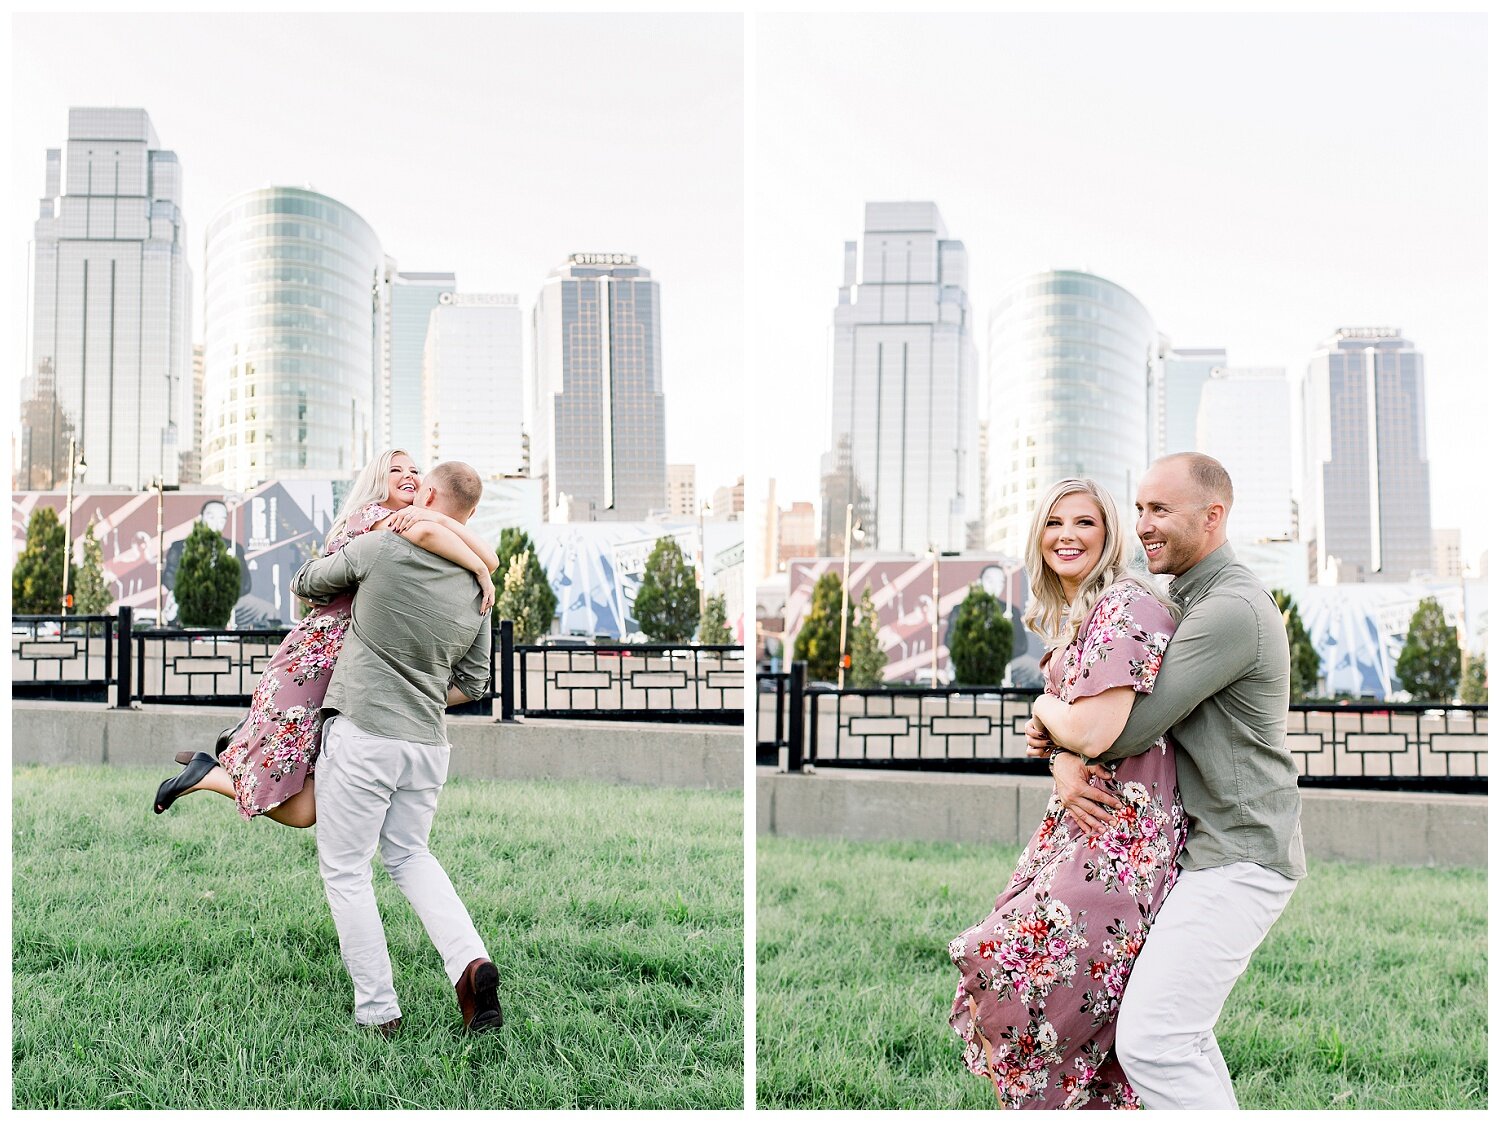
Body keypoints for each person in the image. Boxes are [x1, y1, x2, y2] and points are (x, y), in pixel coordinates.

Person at [1033, 452, 1306, 1110]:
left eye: (1160, 510)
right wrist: (1059, 755)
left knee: (1155, 1040)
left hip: (1240, 854)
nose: (1144, 525)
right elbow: (1091, 711)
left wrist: (1044, 715)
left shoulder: (1230, 609)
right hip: (1198, 852)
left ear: (1213, 517)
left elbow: (1120, 732)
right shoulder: (1178, 597)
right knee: (1177, 1034)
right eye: (1140, 509)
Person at [948, 478, 1184, 1109]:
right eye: (1054, 523)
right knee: (1072, 1013)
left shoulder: (1128, 607)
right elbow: (1077, 739)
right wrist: (1059, 757)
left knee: (1023, 972)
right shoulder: (1084, 615)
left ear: (1109, 535)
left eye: (1085, 522)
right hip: (1082, 820)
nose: (1067, 536)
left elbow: (1094, 728)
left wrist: (1044, 709)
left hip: (1121, 834)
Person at [152, 449, 498, 825]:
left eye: (415, 470)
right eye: (395, 469)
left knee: (306, 811)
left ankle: (211, 766)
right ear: (378, 480)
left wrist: (471, 552)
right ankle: (230, 751)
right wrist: (477, 565)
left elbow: (485, 555)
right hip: (317, 659)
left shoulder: (417, 525)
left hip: (351, 673)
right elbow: (462, 546)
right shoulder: (377, 518)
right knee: (298, 808)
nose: (409, 475)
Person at [290, 459, 502, 1035]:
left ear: (426, 494)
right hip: (428, 745)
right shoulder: (478, 587)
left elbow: (307, 583)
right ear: (470, 516)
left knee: (347, 872)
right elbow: (476, 683)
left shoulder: (382, 547)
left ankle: (379, 1011)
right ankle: (471, 964)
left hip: (362, 733)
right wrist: (425, 692)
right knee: (411, 856)